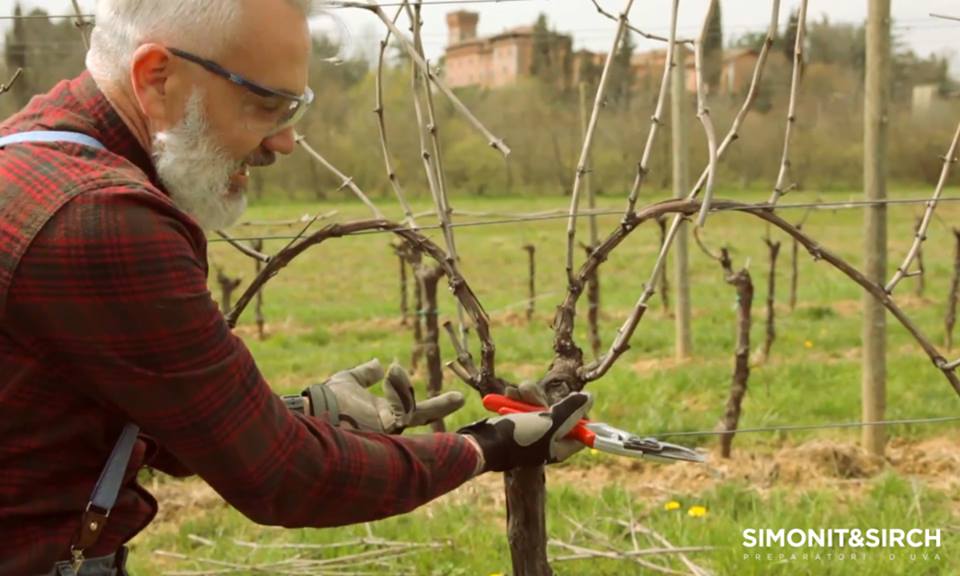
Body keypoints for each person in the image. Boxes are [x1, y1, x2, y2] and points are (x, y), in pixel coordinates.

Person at [0, 1, 593, 575]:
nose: (283, 142)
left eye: (294, 110)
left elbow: (141, 408)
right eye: (264, 105)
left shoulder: (27, 152)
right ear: (157, 78)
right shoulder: (106, 224)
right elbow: (283, 476)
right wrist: (484, 448)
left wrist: (301, 413)